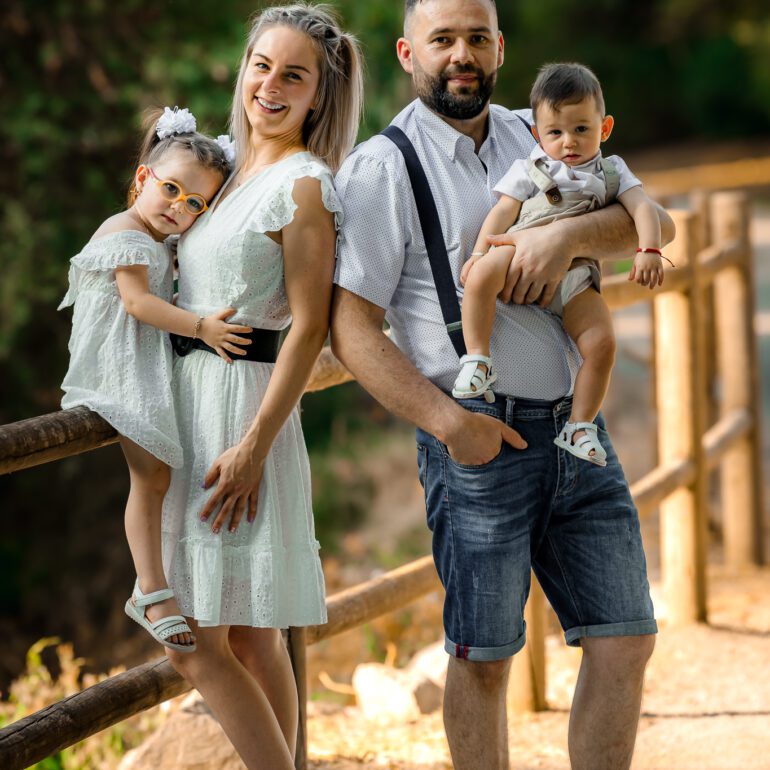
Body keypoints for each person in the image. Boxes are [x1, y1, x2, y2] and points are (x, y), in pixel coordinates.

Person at [331, 1, 671, 768]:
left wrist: (564, 236)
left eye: (477, 38)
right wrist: (451, 425)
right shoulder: (384, 168)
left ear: (499, 47)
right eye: (443, 38)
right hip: (478, 439)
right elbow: (350, 328)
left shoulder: (545, 130)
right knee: (484, 658)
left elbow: (656, 223)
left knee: (625, 641)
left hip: (576, 433)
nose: (461, 54)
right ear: (408, 49)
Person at [159, 5, 363, 769]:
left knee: (200, 639)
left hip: (247, 417)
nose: (270, 85)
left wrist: (252, 447)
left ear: (318, 95)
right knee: (244, 633)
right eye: (261, 65)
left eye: (294, 75)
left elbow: (308, 327)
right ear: (243, 67)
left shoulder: (303, 185)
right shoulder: (226, 172)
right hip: (195, 410)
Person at [59, 106, 251, 653]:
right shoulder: (125, 231)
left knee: (160, 476)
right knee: (151, 477)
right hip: (116, 366)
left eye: (195, 204)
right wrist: (202, 329)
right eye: (171, 189)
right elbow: (138, 303)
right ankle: (151, 588)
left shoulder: (154, 238)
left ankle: (159, 581)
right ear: (143, 178)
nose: (179, 207)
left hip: (141, 361)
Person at [453, 62, 669, 466]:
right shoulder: (530, 168)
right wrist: (481, 253)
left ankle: (580, 425)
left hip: (576, 278)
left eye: (581, 130)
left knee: (602, 344)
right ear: (538, 134)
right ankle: (478, 359)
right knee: (479, 275)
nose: (568, 141)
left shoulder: (612, 171)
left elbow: (644, 210)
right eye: (555, 132)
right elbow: (502, 213)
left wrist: (650, 250)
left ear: (604, 129)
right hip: (518, 251)